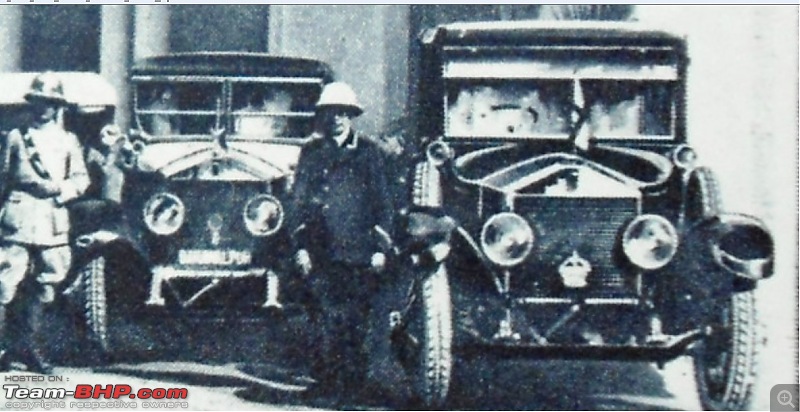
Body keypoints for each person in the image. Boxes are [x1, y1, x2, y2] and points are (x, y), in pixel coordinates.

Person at [288, 82, 393, 404]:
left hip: (359, 251)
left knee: (355, 322)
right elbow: (299, 203)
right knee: (323, 319)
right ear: (323, 116)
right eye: (331, 113)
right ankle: (325, 385)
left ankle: (353, 389)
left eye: (343, 113)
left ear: (352, 116)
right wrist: (302, 247)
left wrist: (380, 248)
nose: (337, 119)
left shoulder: (370, 153)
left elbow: (383, 204)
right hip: (321, 251)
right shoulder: (311, 153)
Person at [0, 72, 90, 373]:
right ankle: (4, 348)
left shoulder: (68, 141)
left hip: (53, 219)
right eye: (39, 102)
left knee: (47, 285)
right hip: (19, 218)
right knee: (5, 283)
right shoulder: (16, 137)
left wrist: (64, 192)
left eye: (49, 103)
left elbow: (81, 178)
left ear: (58, 106)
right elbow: (2, 178)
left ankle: (27, 348)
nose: (43, 109)